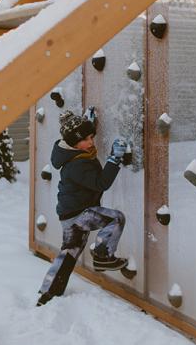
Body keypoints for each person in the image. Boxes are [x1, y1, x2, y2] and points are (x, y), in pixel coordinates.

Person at [36, 108, 128, 307]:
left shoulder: (74, 153)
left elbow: (81, 141)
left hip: (70, 214)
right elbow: (101, 183)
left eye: (92, 137)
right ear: (74, 143)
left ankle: (48, 293)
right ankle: (103, 256)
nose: (91, 142)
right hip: (79, 214)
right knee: (115, 218)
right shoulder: (76, 164)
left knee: (68, 254)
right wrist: (115, 158)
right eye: (86, 139)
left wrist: (88, 123)